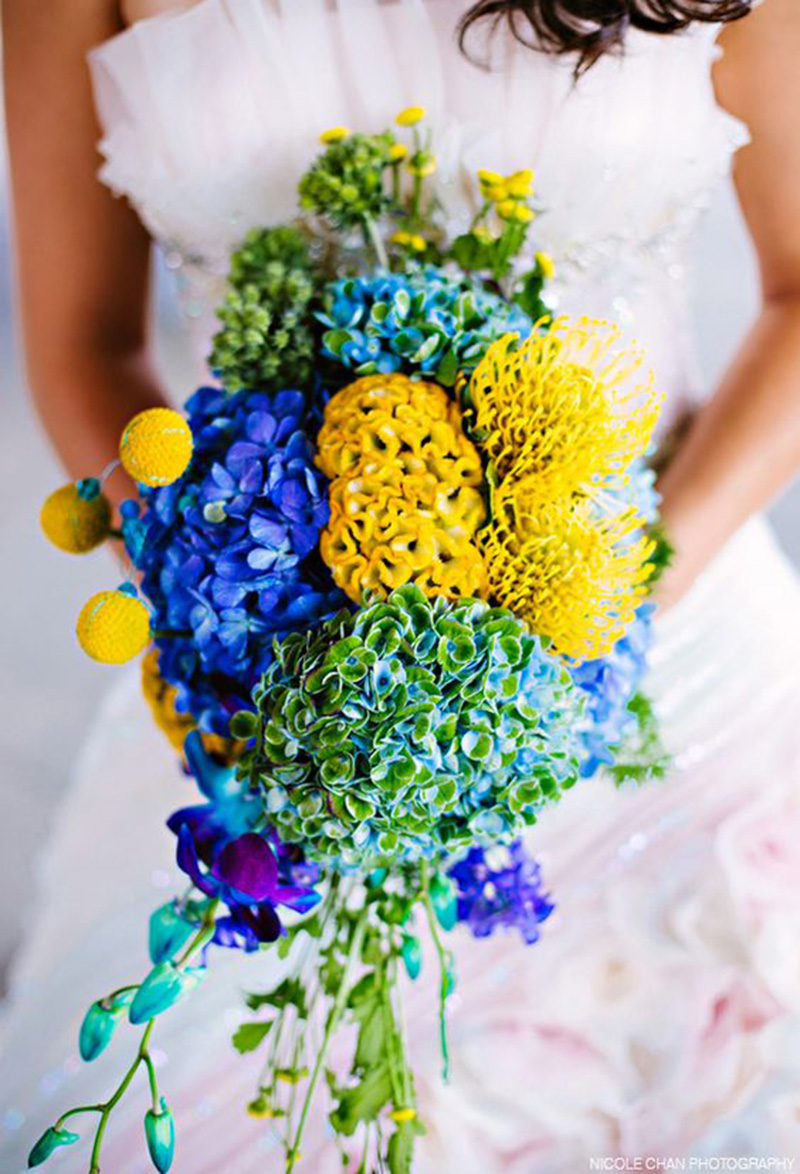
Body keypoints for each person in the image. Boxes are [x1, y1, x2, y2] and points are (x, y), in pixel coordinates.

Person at [3, 0, 800, 1168]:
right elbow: (83, 340)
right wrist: (215, 588)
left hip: (671, 648)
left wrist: (609, 610)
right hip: (268, 694)